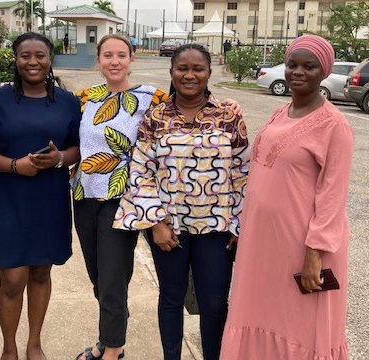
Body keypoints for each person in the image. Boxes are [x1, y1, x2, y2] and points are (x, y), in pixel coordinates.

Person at [72, 34, 241, 360]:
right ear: (98, 60)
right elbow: (70, 137)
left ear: (132, 58)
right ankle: (107, 340)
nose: (114, 61)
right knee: (98, 278)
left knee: (112, 281)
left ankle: (113, 349)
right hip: (84, 194)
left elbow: (193, 100)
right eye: (107, 55)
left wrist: (229, 105)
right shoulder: (83, 99)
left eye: (121, 54)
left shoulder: (152, 97)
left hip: (125, 200)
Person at [220, 34, 354, 359]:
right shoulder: (282, 112)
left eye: (309, 66)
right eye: (292, 64)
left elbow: (332, 196)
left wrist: (314, 254)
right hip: (263, 242)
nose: (298, 72)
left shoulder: (334, 126)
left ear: (324, 72)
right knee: (258, 309)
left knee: (301, 322)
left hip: (301, 244)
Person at [0, 32, 81, 360]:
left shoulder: (67, 101)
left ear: (50, 59)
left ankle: (33, 343)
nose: (33, 62)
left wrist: (60, 159)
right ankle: (9, 347)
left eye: (40, 55)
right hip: (11, 198)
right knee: (11, 277)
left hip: (49, 199)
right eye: (25, 55)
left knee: (41, 271)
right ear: (15, 59)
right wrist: (14, 165)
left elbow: (78, 147)